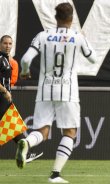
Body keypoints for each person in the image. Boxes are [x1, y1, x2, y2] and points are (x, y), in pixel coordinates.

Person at [16, 2, 97, 183]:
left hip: (45, 90)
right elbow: (93, 59)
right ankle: (55, 175)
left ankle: (27, 143)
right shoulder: (76, 37)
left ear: (56, 17)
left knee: (42, 131)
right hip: (68, 91)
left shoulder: (43, 35)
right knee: (70, 132)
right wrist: (84, 38)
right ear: (72, 18)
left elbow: (26, 59)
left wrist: (24, 72)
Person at [0, 50, 43, 163]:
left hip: (5, 97)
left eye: (10, 43)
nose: (7, 46)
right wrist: (4, 91)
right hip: (2, 97)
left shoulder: (9, 60)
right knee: (11, 125)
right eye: (5, 43)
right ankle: (26, 153)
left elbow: (11, 80)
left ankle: (26, 154)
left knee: (13, 126)